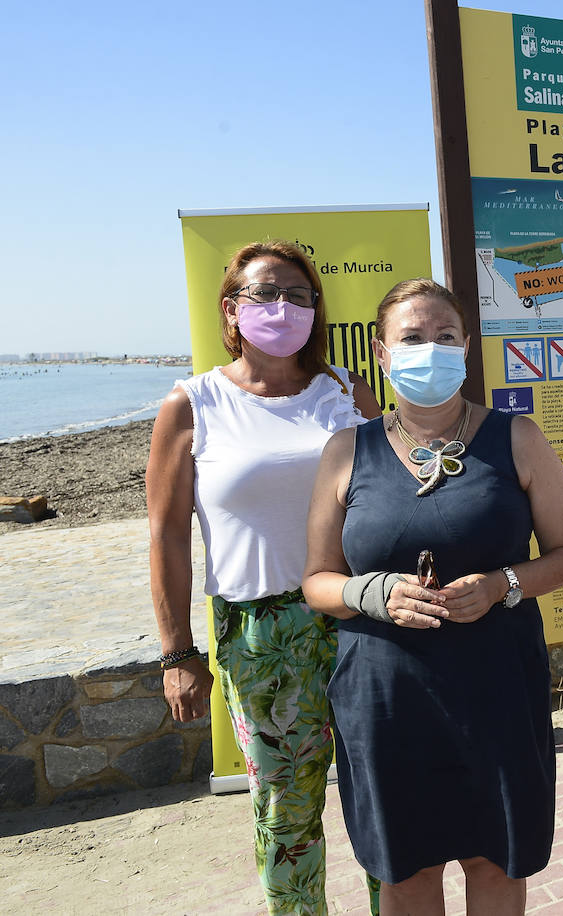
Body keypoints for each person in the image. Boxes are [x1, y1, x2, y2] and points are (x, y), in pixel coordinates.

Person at [302, 278, 563, 914]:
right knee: (406, 872)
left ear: (465, 347)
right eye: (411, 338)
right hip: (387, 699)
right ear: (381, 352)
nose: (428, 349)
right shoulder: (348, 450)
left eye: (444, 336)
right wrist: (374, 592)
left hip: (497, 689)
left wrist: (501, 585)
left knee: (496, 861)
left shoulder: (518, 439)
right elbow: (317, 582)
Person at [146, 239, 381, 914]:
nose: (283, 306)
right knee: (287, 816)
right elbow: (166, 534)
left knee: (384, 797)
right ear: (230, 308)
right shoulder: (193, 404)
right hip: (262, 638)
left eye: (298, 295)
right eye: (266, 293)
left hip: (361, 618)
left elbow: (393, 498)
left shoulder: (347, 392)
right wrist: (177, 654)